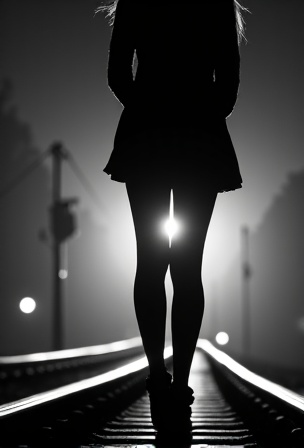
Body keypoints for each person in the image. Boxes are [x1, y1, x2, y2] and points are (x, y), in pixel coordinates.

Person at [98, 0, 246, 439]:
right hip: (200, 139)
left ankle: (157, 378)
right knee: (187, 266)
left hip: (146, 136)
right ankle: (179, 384)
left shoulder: (136, 1)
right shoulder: (217, 3)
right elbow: (230, 80)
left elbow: (117, 73)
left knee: (151, 262)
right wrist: (201, 109)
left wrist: (148, 105)